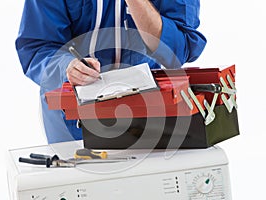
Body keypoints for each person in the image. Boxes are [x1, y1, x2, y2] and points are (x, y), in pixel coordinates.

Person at [16, 0, 206, 144]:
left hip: (145, 111)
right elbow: (37, 45)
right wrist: (66, 66)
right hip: (72, 115)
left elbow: (180, 49)